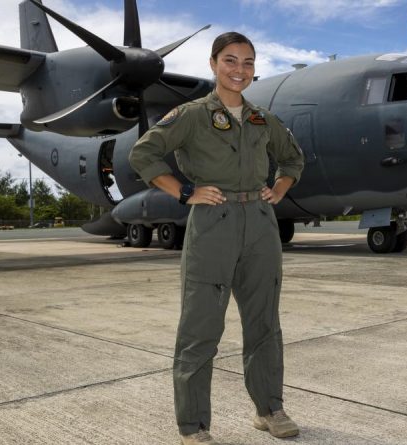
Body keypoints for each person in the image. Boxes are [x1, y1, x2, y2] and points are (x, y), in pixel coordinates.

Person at [128, 31, 305, 445]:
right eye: (230, 60)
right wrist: (184, 192)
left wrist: (278, 189)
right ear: (213, 64)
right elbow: (144, 154)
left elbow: (293, 158)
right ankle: (194, 426)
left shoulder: (263, 119)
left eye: (247, 62)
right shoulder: (190, 115)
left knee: (264, 323)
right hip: (213, 224)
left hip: (260, 226)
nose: (239, 70)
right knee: (201, 326)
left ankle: (269, 409)